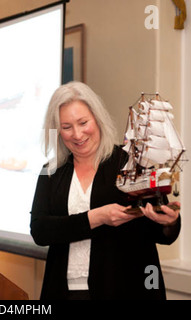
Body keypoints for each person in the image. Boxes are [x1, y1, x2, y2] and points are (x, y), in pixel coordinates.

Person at [30, 82, 181, 300]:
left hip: (122, 289)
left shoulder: (132, 163)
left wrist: (168, 222)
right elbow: (40, 230)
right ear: (56, 130)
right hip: (64, 292)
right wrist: (96, 217)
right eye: (66, 127)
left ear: (97, 119)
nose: (77, 134)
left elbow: (161, 234)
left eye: (83, 122)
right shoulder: (49, 171)